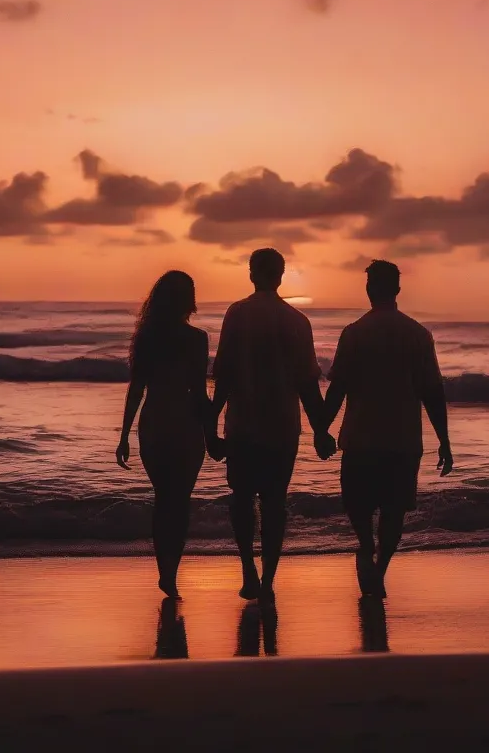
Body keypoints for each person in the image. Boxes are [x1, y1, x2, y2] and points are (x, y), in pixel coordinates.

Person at [207, 247, 336, 602]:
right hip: (282, 426)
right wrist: (322, 431)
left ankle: (248, 568)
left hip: (243, 424)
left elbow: (224, 374)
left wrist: (210, 428)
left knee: (242, 499)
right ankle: (268, 579)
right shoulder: (297, 321)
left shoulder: (237, 313)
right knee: (275, 503)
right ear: (280, 276)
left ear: (251, 274)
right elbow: (308, 384)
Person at [322, 259, 453, 598]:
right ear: (396, 289)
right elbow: (432, 392)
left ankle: (366, 549)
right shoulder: (418, 335)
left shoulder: (354, 333)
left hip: (361, 438)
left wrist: (321, 429)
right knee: (394, 511)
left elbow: (337, 389)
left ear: (369, 289)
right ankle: (379, 569)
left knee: (359, 506)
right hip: (403, 441)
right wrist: (444, 441)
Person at [116, 270, 209, 598]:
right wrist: (212, 435)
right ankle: (171, 573)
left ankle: (164, 571)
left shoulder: (147, 338)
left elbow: (137, 389)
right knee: (179, 502)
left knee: (163, 500)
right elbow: (199, 394)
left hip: (154, 424)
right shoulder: (197, 340)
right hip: (185, 425)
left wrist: (125, 435)